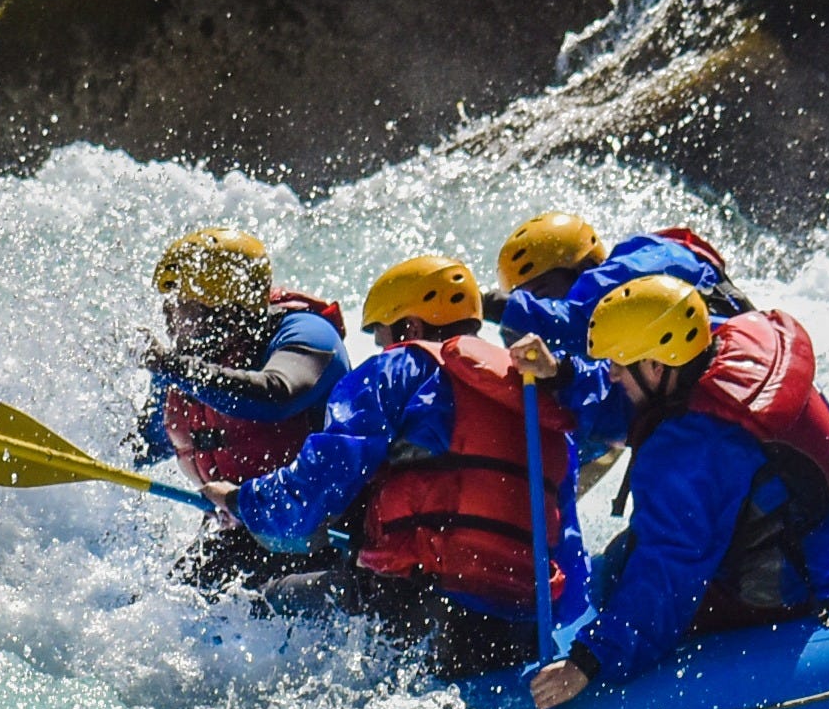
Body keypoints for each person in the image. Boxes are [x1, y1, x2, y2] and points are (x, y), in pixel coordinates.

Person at [521, 277, 829, 709]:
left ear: (658, 367)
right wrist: (563, 374)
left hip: (804, 584)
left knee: (620, 576)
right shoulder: (726, 342)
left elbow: (669, 574)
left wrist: (587, 661)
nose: (611, 373)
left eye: (618, 363)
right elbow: (640, 400)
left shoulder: (695, 449)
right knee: (622, 560)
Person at [208, 255, 579, 680]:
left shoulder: (400, 368)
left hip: (421, 612)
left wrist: (242, 501)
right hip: (520, 627)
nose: (383, 348)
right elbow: (566, 540)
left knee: (267, 598)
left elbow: (321, 479)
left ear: (411, 329)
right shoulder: (536, 396)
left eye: (384, 336)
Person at [131, 228, 347, 586]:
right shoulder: (186, 365)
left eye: (181, 304)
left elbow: (278, 394)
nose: (169, 316)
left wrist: (168, 365)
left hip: (318, 539)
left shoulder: (307, 334)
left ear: (222, 310)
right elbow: (140, 446)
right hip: (237, 534)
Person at [491, 211, 751, 359]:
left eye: (542, 295)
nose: (544, 306)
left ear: (583, 268)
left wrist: (488, 305)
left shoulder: (636, 270)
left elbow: (577, 320)